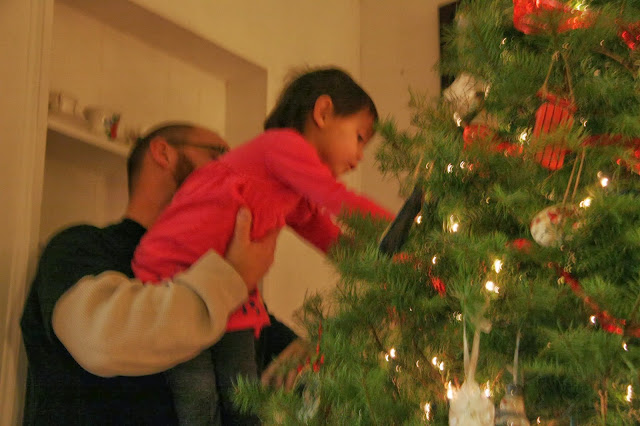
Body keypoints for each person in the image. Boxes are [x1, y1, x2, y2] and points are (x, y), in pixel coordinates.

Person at [132, 67, 395, 425]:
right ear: (322, 113)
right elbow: (337, 199)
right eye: (359, 138)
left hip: (232, 293)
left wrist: (376, 265)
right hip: (173, 276)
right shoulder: (281, 146)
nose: (360, 156)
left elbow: (321, 232)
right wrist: (402, 227)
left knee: (244, 391)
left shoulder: (291, 185)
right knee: (198, 391)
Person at [20, 123, 281, 425]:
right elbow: (101, 341)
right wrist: (233, 275)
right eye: (220, 156)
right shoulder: (79, 248)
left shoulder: (221, 279)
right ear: (163, 153)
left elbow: (292, 354)